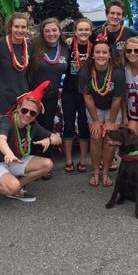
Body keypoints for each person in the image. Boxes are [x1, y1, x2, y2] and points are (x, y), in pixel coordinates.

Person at [0, 81, 61, 209]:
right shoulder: (5, 122)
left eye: (32, 113)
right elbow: (0, 140)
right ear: (18, 107)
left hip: (13, 161)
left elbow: (58, 139)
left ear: (36, 115)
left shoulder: (32, 126)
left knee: (47, 164)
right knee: (13, 185)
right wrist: (9, 153)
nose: (27, 115)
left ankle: (14, 189)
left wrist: (49, 140)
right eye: (25, 110)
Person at [78, 32, 126, 187]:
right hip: (95, 108)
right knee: (96, 136)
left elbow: (117, 98)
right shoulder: (85, 71)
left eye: (104, 52)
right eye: (97, 52)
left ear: (110, 54)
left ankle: (105, 172)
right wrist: (96, 121)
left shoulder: (118, 72)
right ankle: (95, 172)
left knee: (110, 139)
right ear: (92, 54)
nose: (101, 55)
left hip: (112, 107)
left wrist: (111, 121)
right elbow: (88, 97)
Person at [27, 17, 69, 179]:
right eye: (47, 31)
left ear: (59, 31)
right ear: (42, 33)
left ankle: (45, 162)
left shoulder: (66, 48)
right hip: (32, 97)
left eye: (54, 30)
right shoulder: (33, 46)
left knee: (46, 128)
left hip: (51, 97)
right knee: (28, 128)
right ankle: (26, 162)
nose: (51, 34)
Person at [61, 18, 92, 173]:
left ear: (90, 31)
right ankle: (68, 160)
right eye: (80, 30)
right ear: (75, 32)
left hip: (86, 93)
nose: (83, 32)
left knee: (83, 126)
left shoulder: (93, 47)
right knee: (68, 125)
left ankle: (82, 160)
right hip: (69, 91)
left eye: (87, 30)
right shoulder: (67, 46)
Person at [0, 12, 31, 120]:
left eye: (23, 27)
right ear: (10, 27)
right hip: (2, 98)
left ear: (27, 28)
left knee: (18, 133)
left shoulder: (30, 46)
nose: (20, 30)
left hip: (22, 97)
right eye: (16, 26)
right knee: (1, 132)